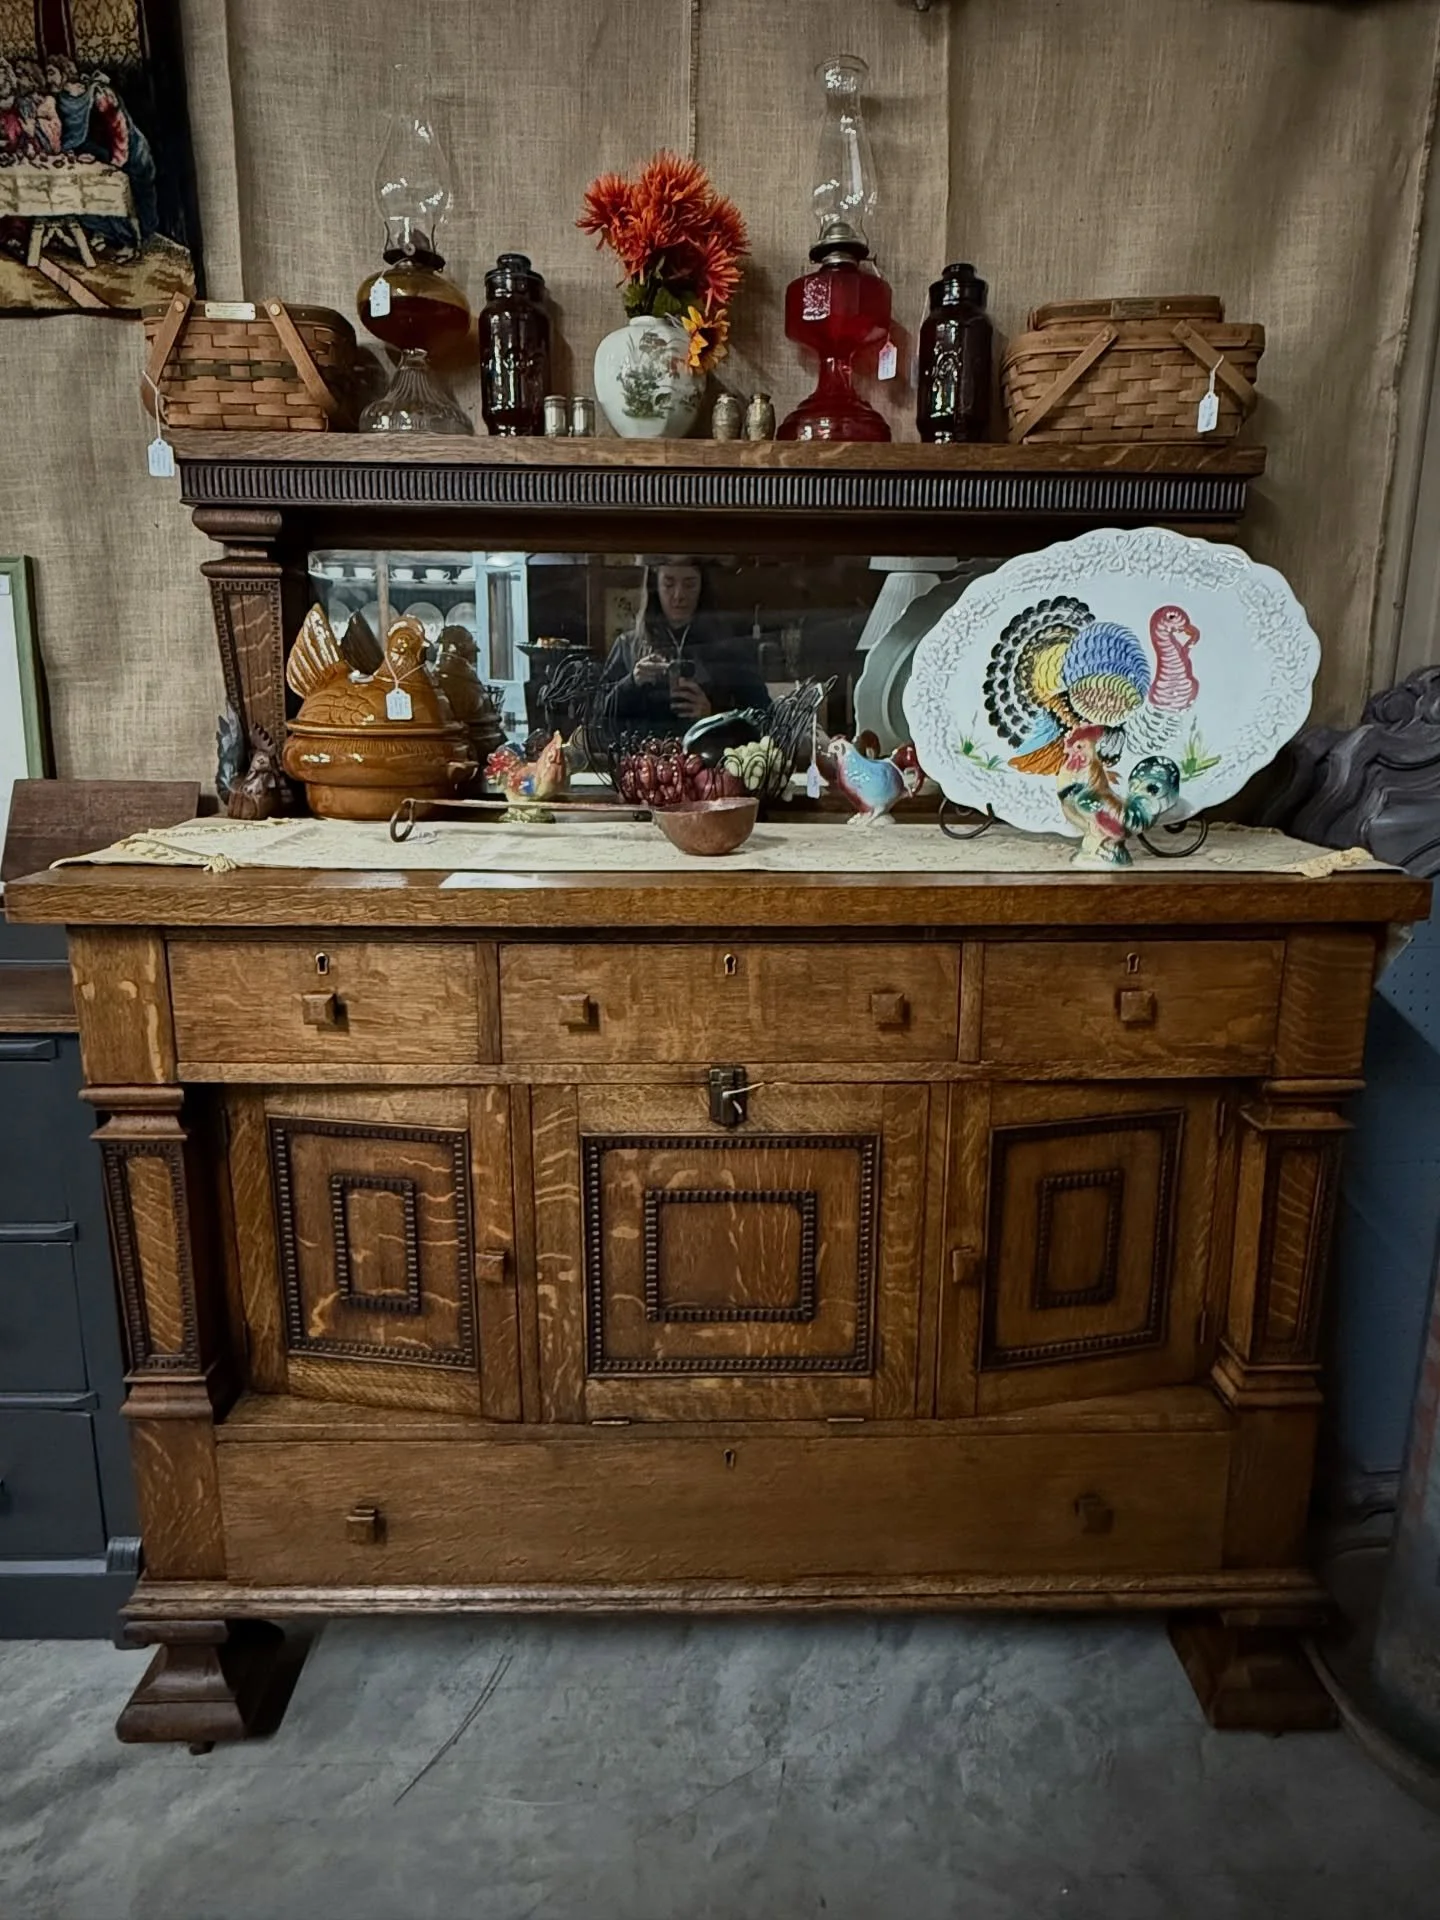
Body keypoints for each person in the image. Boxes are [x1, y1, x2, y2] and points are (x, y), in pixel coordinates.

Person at [599, 558, 767, 734]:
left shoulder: (728, 648)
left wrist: (713, 715)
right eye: (668, 584)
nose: (679, 595)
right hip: (642, 759)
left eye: (690, 585)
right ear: (655, 586)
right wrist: (631, 683)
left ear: (702, 587)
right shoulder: (628, 646)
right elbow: (598, 719)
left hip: (709, 758)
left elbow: (763, 715)